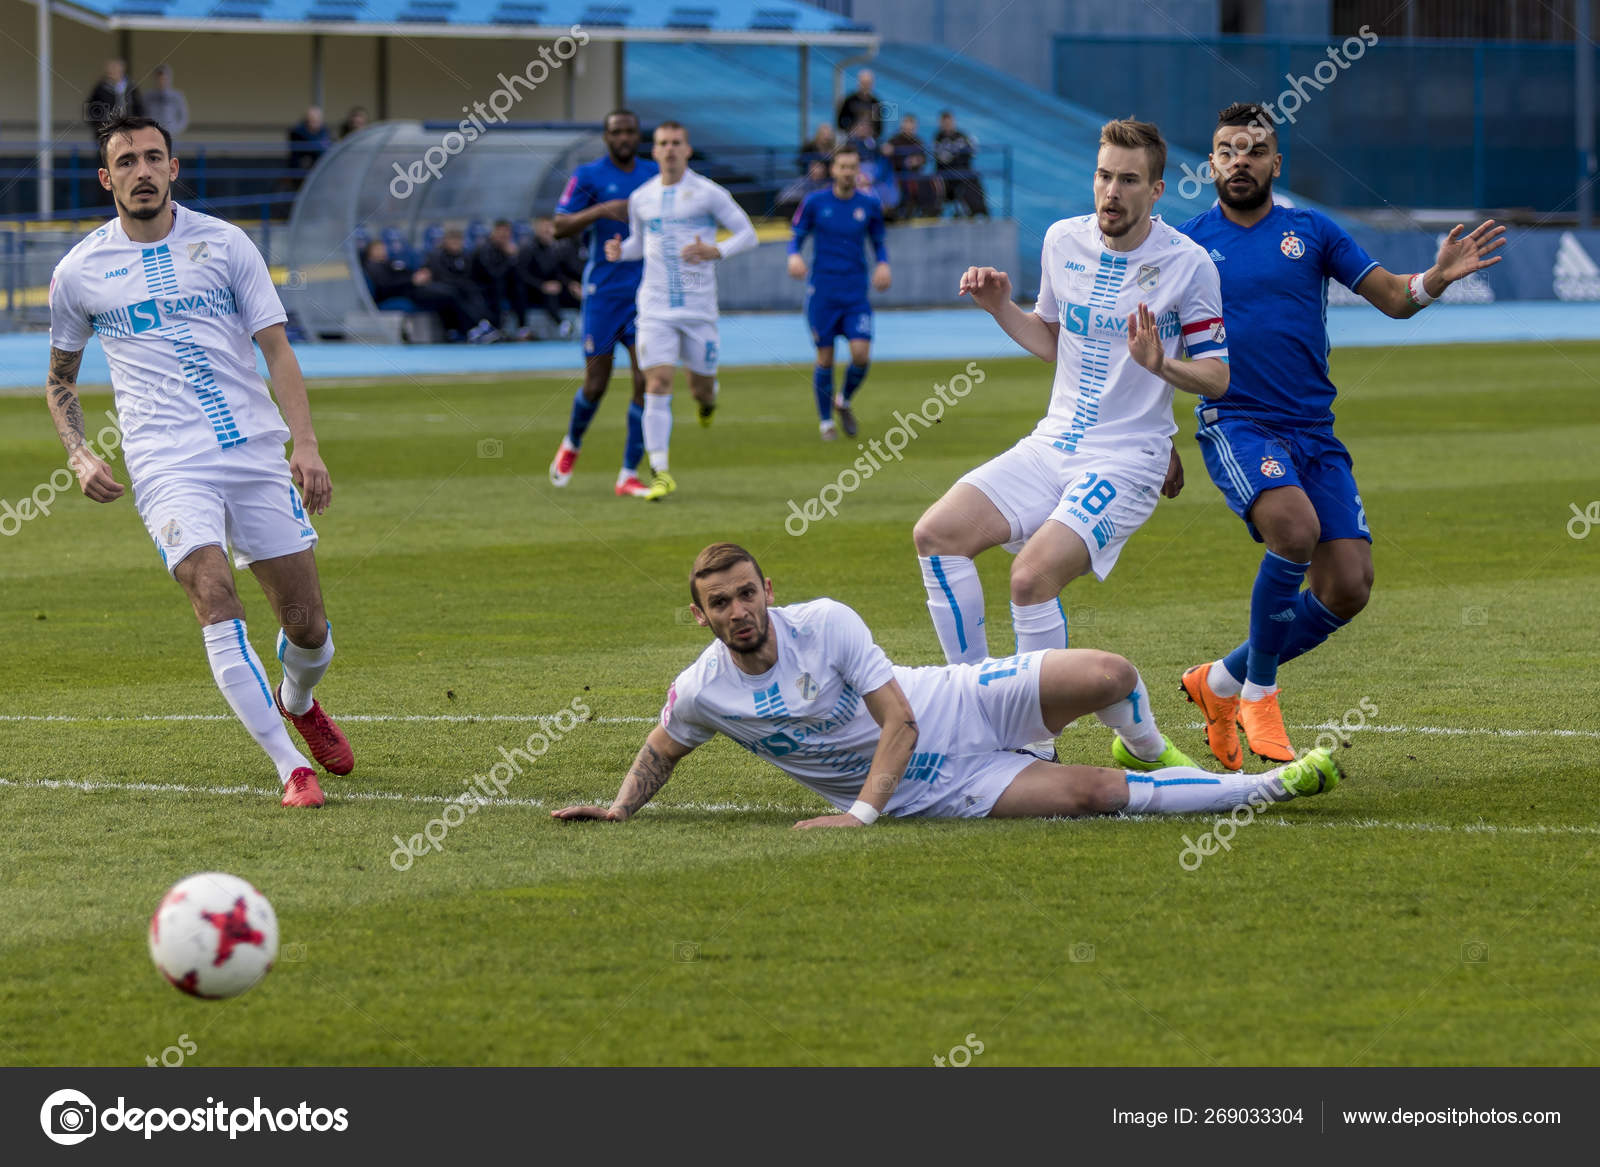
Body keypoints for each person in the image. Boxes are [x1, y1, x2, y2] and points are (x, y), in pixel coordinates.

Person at [552, 543, 1342, 829]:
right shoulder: (702, 690)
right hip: (939, 787)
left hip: (952, 701)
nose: (739, 611)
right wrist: (621, 805)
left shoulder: (823, 621)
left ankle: (1159, 754)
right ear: (700, 616)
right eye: (719, 603)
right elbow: (664, 745)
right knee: (1092, 797)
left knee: (1111, 673)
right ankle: (1264, 791)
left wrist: (858, 815)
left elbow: (897, 720)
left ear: (769, 589)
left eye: (748, 593)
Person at [1175, 102, 1505, 768]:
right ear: (1210, 163)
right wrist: (1156, 438)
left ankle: (1217, 682)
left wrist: (1436, 278)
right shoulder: (1183, 247)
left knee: (1349, 584)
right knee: (1292, 531)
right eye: (1227, 149)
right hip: (1237, 422)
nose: (1240, 160)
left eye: (1254, 149)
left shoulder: (1312, 231)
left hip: (1312, 431)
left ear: (1276, 163)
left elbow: (1392, 296)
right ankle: (1259, 694)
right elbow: (1150, 346)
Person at [46, 116, 353, 809]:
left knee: (307, 624)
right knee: (213, 594)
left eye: (154, 157)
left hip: (252, 449)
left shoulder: (226, 242)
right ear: (107, 178)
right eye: (126, 161)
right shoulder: (78, 271)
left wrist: (304, 444)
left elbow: (277, 349)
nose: (142, 170)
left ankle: (298, 697)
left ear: (174, 167)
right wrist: (77, 451)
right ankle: (289, 768)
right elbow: (59, 377)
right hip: (164, 462)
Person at [911, 118, 1228, 762]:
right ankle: (975, 708)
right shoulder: (1062, 240)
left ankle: (1031, 748)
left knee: (1031, 579)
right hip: (1051, 443)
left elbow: (1218, 376)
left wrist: (1161, 365)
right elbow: (1055, 343)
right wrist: (1002, 308)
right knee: (936, 535)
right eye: (1104, 176)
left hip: (1128, 461)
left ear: (1157, 190)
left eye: (1129, 180)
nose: (1112, 192)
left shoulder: (1188, 265)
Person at [604, 120, 758, 501]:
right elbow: (641, 243)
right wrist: (620, 252)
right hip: (654, 308)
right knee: (656, 382)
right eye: (662, 143)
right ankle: (660, 471)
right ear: (653, 151)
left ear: (687, 150)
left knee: (701, 388)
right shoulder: (641, 198)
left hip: (698, 309)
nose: (669, 149)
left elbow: (748, 233)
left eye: (676, 143)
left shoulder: (708, 193)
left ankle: (707, 402)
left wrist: (715, 250)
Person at [550, 110, 660, 498]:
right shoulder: (589, 176)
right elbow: (558, 226)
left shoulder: (654, 174)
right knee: (596, 383)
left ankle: (628, 473)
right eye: (617, 132)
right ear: (606, 137)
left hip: (647, 293)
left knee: (645, 383)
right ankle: (572, 443)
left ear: (638, 135)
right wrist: (601, 210)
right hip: (604, 293)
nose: (624, 137)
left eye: (630, 131)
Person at [786, 145, 890, 441]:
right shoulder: (815, 202)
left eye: (852, 167)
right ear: (833, 170)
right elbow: (796, 237)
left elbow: (879, 241)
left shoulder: (869, 205)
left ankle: (843, 400)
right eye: (842, 166)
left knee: (861, 354)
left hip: (856, 292)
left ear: (858, 170)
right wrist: (794, 256)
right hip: (823, 292)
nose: (847, 172)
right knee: (825, 358)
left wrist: (883, 264)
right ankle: (825, 423)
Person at [362, 239, 497, 343]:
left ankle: (472, 326)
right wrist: (412, 281)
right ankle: (473, 329)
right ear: (370, 252)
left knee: (459, 289)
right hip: (408, 293)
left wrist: (420, 275)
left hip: (416, 288)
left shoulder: (391, 263)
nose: (382, 251)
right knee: (449, 294)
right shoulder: (373, 267)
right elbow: (385, 286)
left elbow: (406, 272)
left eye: (382, 248)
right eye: (378, 249)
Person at [519, 215, 583, 334]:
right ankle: (562, 324)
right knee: (550, 293)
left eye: (549, 227)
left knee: (575, 291)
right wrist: (542, 285)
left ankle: (584, 323)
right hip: (533, 289)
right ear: (536, 230)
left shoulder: (557, 248)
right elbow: (523, 275)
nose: (547, 230)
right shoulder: (527, 249)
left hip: (554, 286)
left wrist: (571, 284)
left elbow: (559, 273)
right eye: (544, 227)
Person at [424, 227, 494, 332]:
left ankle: (485, 324)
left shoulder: (465, 256)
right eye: (452, 240)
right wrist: (461, 283)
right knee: (457, 294)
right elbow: (441, 277)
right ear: (445, 241)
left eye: (458, 240)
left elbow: (470, 274)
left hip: (462, 288)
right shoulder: (436, 256)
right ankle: (475, 327)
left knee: (476, 291)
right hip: (443, 289)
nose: (455, 243)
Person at [471, 219, 527, 336]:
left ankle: (522, 328)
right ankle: (495, 327)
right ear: (494, 233)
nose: (504, 236)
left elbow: (519, 273)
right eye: (501, 232)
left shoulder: (508, 249)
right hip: (482, 286)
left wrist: (515, 257)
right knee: (497, 286)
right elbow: (494, 274)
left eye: (507, 233)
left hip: (502, 285)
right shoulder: (484, 249)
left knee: (519, 288)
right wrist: (510, 258)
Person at [884, 114, 938, 219]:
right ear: (902, 127)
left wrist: (917, 161)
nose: (909, 130)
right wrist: (905, 162)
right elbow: (887, 153)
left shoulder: (918, 141)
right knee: (909, 182)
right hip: (899, 173)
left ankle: (928, 209)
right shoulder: (894, 140)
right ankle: (906, 209)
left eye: (911, 127)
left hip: (915, 173)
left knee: (927, 180)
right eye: (907, 127)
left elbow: (923, 158)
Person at [934, 111, 987, 218]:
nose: (948, 125)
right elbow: (942, 159)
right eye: (945, 123)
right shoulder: (938, 137)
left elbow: (971, 153)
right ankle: (972, 210)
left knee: (973, 178)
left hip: (963, 171)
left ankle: (980, 210)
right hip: (946, 175)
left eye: (950, 122)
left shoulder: (962, 136)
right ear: (941, 123)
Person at [84, 59, 142, 138]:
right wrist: (99, 125)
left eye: (116, 70)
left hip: (128, 130)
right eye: (110, 71)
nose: (112, 73)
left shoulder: (131, 88)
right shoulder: (100, 88)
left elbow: (139, 108)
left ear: (122, 71)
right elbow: (90, 108)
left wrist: (137, 124)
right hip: (107, 132)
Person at [836, 69, 885, 140]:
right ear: (858, 83)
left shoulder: (876, 102)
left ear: (872, 84)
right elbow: (840, 121)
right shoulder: (849, 100)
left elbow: (879, 127)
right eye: (863, 83)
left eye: (868, 83)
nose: (865, 86)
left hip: (869, 140)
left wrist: (871, 133)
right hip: (851, 139)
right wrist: (850, 130)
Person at [141, 65, 188, 137]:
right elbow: (142, 115)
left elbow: (183, 117)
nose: (162, 81)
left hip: (171, 136)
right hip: (152, 136)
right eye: (159, 78)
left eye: (164, 78)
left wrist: (175, 130)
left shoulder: (177, 96)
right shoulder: (148, 96)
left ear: (169, 78)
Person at [287, 106, 330, 173]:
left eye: (317, 120)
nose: (315, 123)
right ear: (307, 119)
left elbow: (326, 146)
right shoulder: (298, 131)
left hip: (321, 166)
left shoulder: (324, 130)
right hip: (302, 167)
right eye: (312, 120)